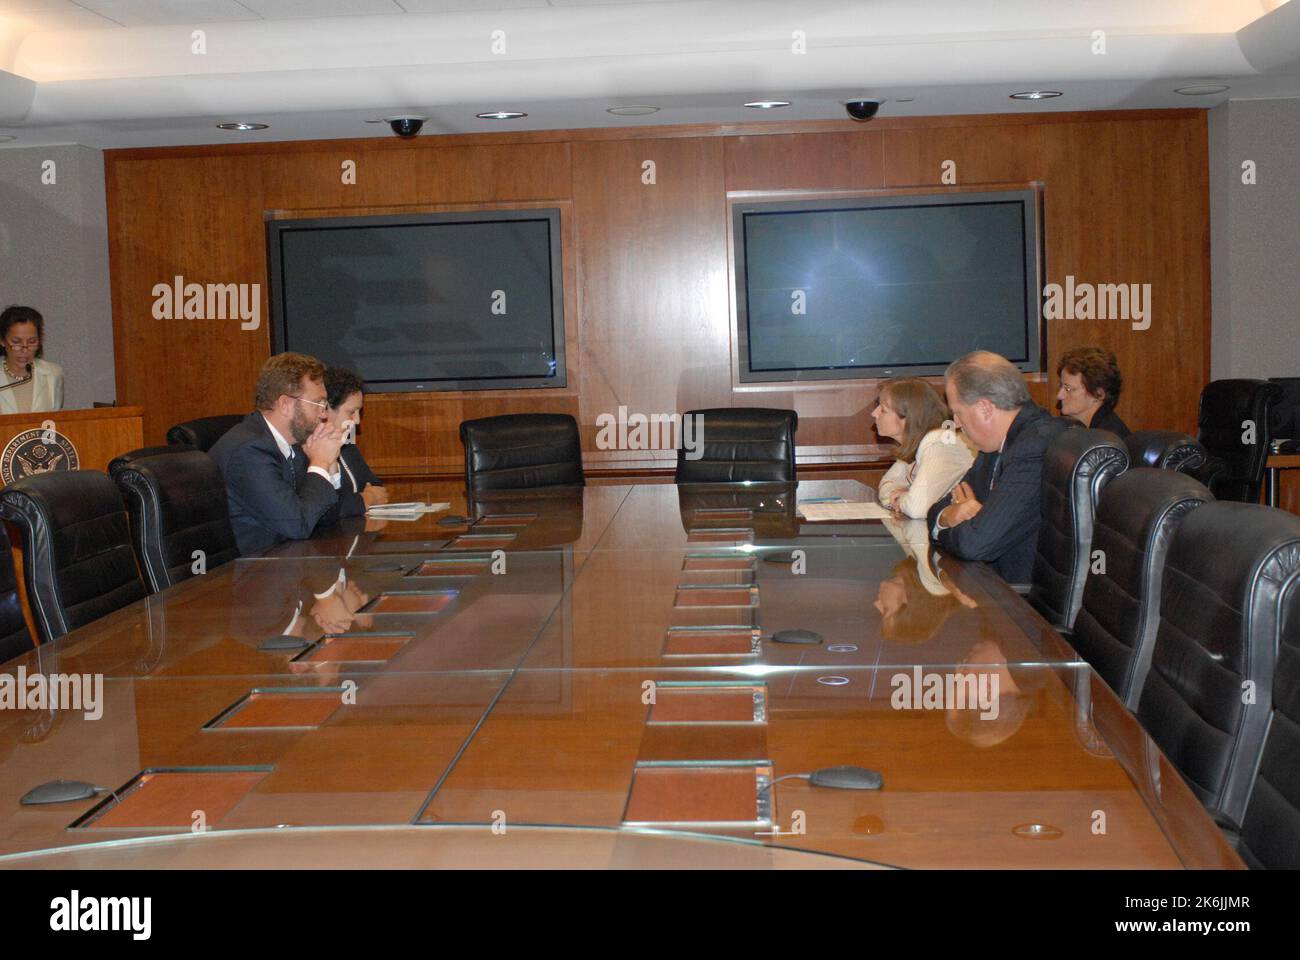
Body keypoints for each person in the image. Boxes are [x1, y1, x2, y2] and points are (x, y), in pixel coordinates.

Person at [927, 351, 1075, 582]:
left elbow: (975, 543)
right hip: (993, 585)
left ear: (985, 408)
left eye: (957, 413)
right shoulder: (995, 444)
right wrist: (948, 515)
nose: (955, 424)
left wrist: (953, 527)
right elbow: (939, 507)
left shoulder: (1035, 447)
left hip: (1023, 605)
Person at [209, 352, 345, 556]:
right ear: (285, 405)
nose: (324, 414)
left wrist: (330, 466)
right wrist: (320, 462)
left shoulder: (293, 446)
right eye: (319, 404)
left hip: (284, 565)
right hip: (249, 576)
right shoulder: (250, 451)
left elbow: (324, 519)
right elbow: (297, 525)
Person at [873, 378, 974, 519]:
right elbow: (886, 484)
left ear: (909, 417)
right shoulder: (914, 445)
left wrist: (901, 498)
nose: (874, 414)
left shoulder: (940, 443)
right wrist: (900, 496)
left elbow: (916, 509)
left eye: (883, 409)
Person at [323, 366, 388, 516]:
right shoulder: (306, 449)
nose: (357, 421)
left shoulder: (347, 445)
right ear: (325, 409)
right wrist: (367, 497)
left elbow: (376, 487)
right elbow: (331, 507)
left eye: (360, 412)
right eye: (351, 412)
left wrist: (365, 498)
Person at [0, 305, 63, 413]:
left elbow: (54, 421)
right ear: (2, 341)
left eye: (32, 342)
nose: (25, 349)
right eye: (16, 342)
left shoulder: (53, 373)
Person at [1056, 345, 1129, 437]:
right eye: (1061, 386)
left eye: (1068, 389)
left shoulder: (1106, 442)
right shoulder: (1076, 428)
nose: (1059, 395)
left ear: (1098, 394)